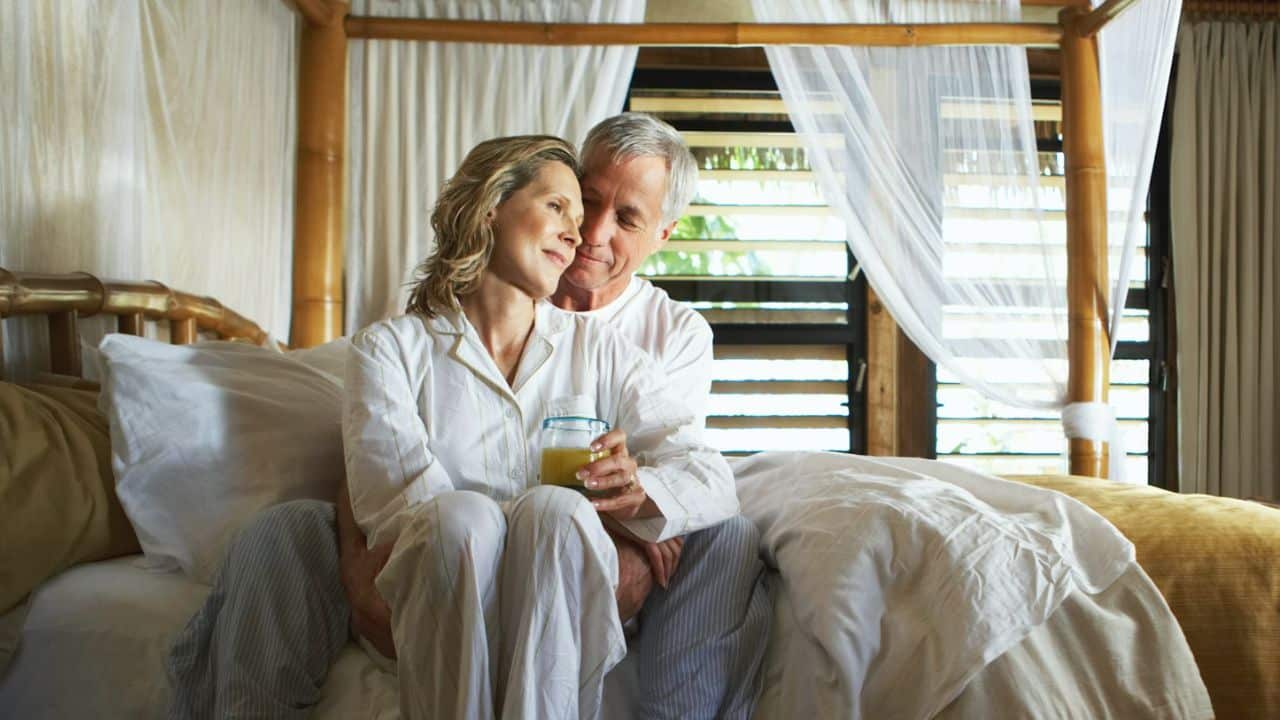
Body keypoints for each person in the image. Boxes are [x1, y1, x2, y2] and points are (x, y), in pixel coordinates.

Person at [168, 117, 770, 719]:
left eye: (624, 217)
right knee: (437, 519)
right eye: (571, 205)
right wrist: (372, 559)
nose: (583, 231)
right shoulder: (391, 348)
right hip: (452, 564)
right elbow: (396, 498)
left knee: (567, 512)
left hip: (575, 561)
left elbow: (698, 474)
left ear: (662, 232)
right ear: (490, 210)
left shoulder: (625, 348)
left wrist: (641, 494)